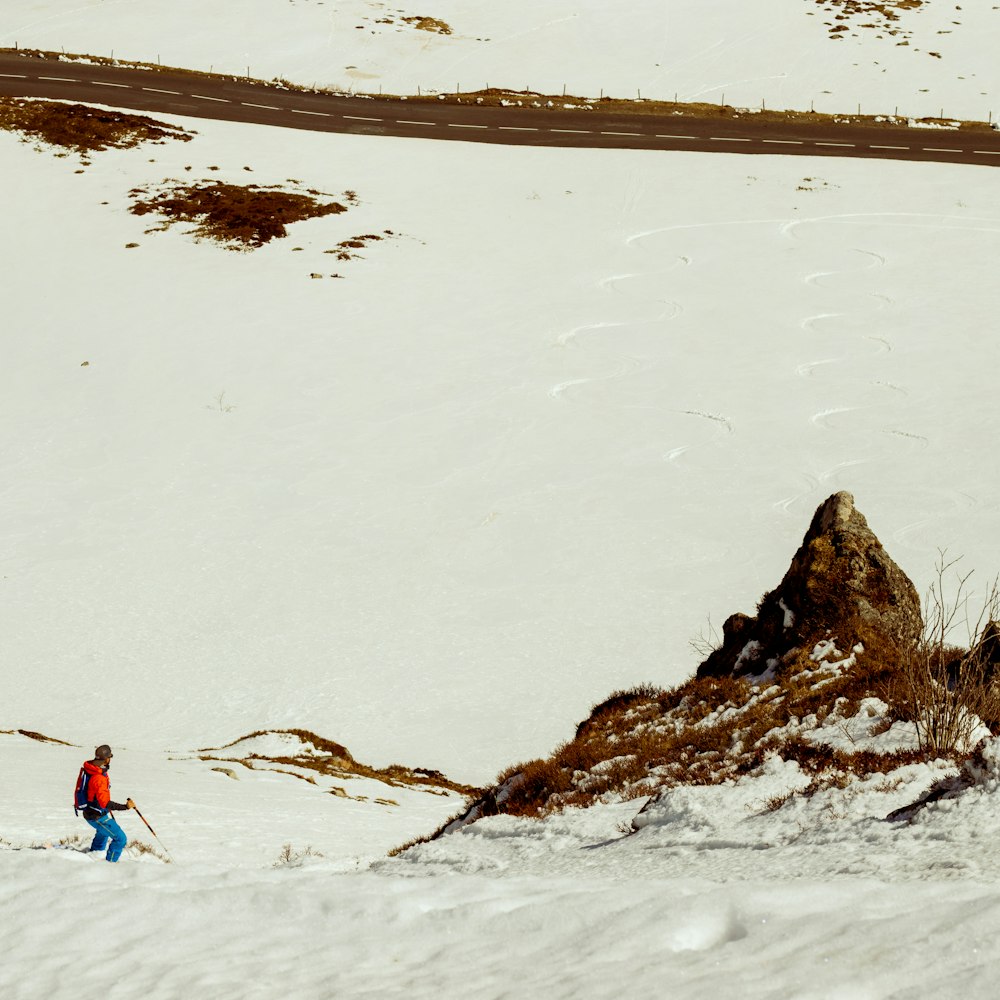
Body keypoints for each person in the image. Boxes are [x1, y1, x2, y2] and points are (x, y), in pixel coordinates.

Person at [77, 745, 135, 862]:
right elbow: (104, 803)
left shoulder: (93, 769)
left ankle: (94, 854)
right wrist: (125, 807)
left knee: (103, 832)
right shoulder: (98, 777)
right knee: (120, 839)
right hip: (96, 815)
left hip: (92, 812)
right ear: (106, 758)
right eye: (110, 757)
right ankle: (110, 865)